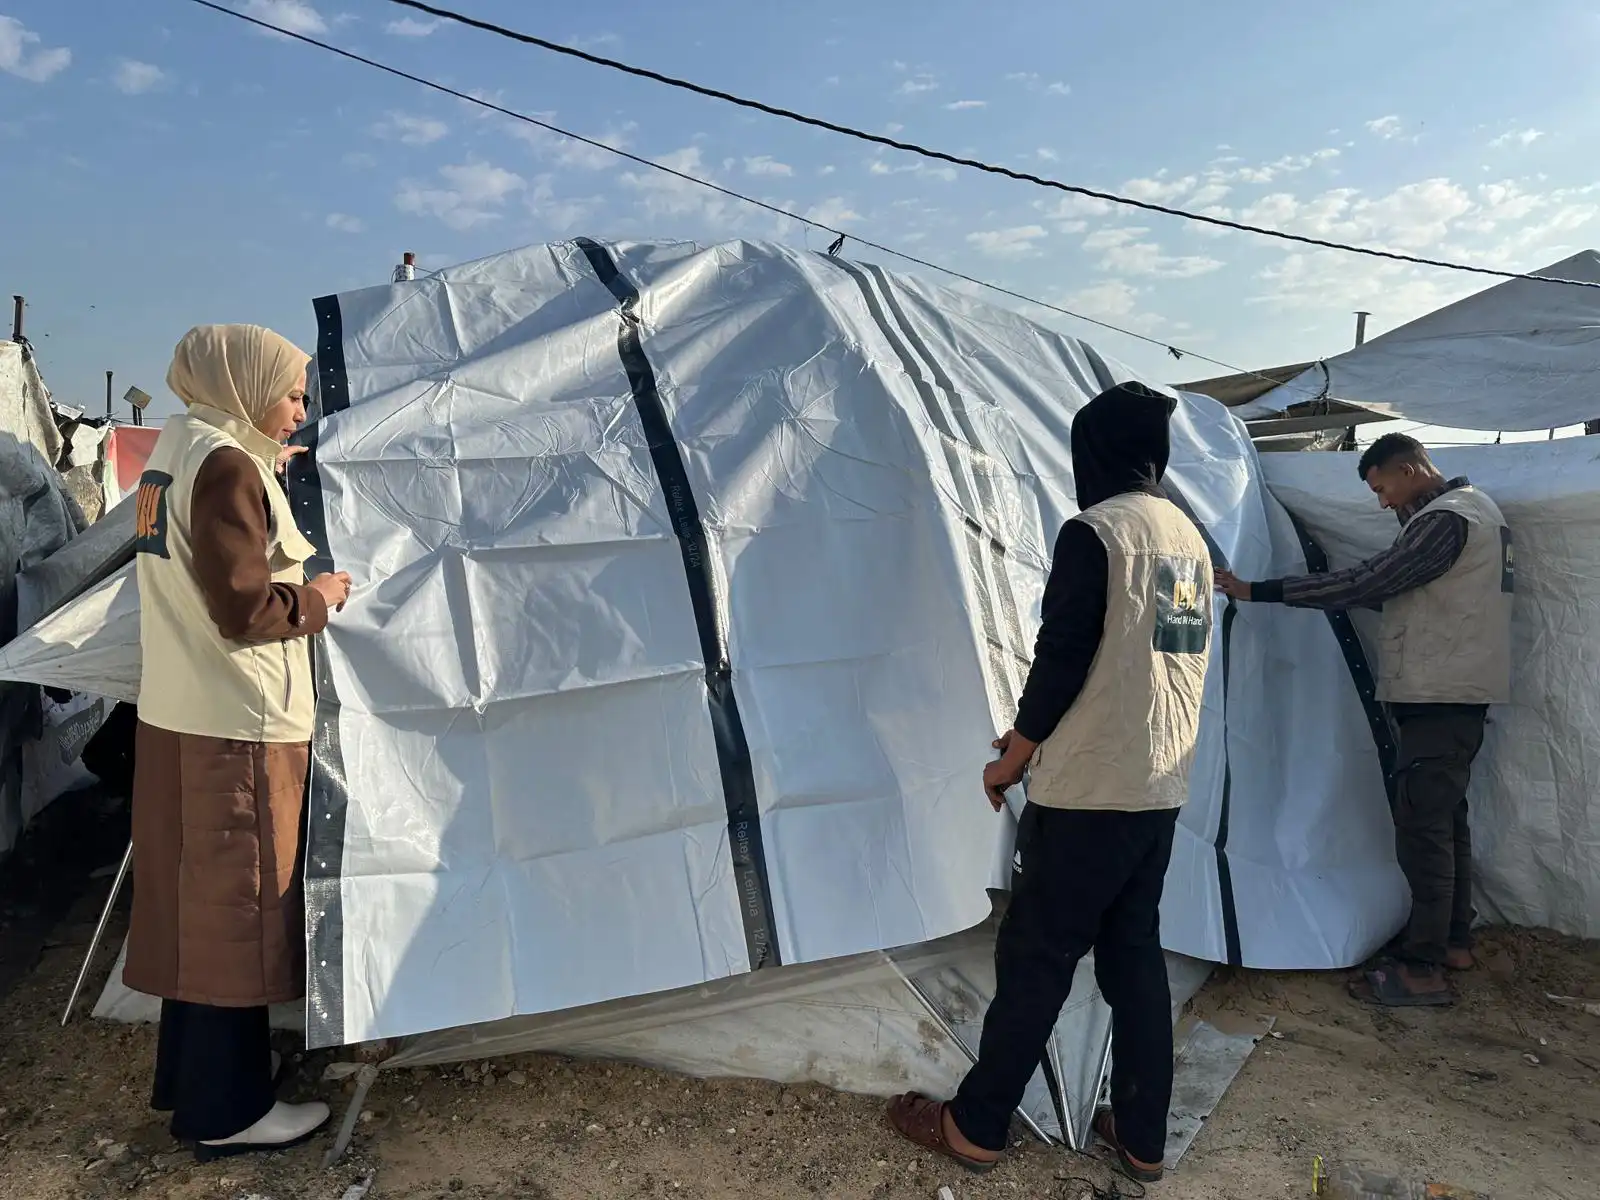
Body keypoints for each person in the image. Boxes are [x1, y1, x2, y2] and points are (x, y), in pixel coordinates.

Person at [886, 381, 1214, 1184]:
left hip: (1088, 795)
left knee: (1038, 958)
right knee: (1134, 959)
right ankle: (1142, 1136)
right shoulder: (1184, 537)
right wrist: (1044, 732)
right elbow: (1147, 660)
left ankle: (977, 1125)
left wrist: (1015, 757)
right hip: (1156, 784)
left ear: (1092, 452)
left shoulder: (1096, 532)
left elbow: (1063, 658)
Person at [124, 324, 354, 1159]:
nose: (298, 409)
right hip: (237, 728)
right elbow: (246, 609)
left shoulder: (175, 453)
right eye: (290, 393)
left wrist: (261, 471)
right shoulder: (226, 467)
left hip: (181, 714)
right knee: (238, 917)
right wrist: (320, 597)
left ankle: (195, 1086)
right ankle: (230, 1115)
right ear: (246, 386)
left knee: (197, 914)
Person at [1215, 433, 1512, 1008]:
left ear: (1410, 468)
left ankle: (1421, 968)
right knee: (1444, 820)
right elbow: (1405, 594)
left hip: (1440, 695)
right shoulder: (1475, 514)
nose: (1382, 502)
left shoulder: (1447, 520)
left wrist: (1261, 590)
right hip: (1454, 694)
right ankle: (1453, 941)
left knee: (1423, 829)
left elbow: (1372, 581)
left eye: (1382, 488)